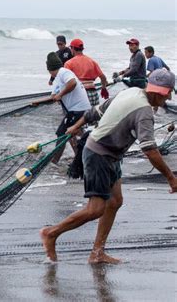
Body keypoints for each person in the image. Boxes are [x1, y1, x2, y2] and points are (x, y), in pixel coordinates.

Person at [40, 68, 177, 264]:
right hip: (99, 155)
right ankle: (51, 233)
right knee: (95, 209)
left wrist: (76, 126)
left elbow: (94, 113)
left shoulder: (131, 92)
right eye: (168, 94)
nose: (167, 99)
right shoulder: (145, 112)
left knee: (114, 201)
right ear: (163, 92)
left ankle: (97, 252)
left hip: (109, 154)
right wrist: (171, 178)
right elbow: (150, 150)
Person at [33, 52, 91, 164]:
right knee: (71, 134)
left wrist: (61, 94)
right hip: (75, 110)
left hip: (79, 109)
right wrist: (37, 102)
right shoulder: (56, 81)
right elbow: (53, 98)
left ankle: (55, 161)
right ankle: (81, 157)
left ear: (49, 69)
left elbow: (72, 83)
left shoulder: (63, 72)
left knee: (62, 133)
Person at [65, 38, 109, 105]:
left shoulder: (69, 63)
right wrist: (103, 88)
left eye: (71, 48)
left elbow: (67, 82)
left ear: (73, 48)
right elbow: (103, 77)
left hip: (80, 94)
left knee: (80, 115)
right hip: (93, 94)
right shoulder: (91, 61)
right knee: (94, 114)